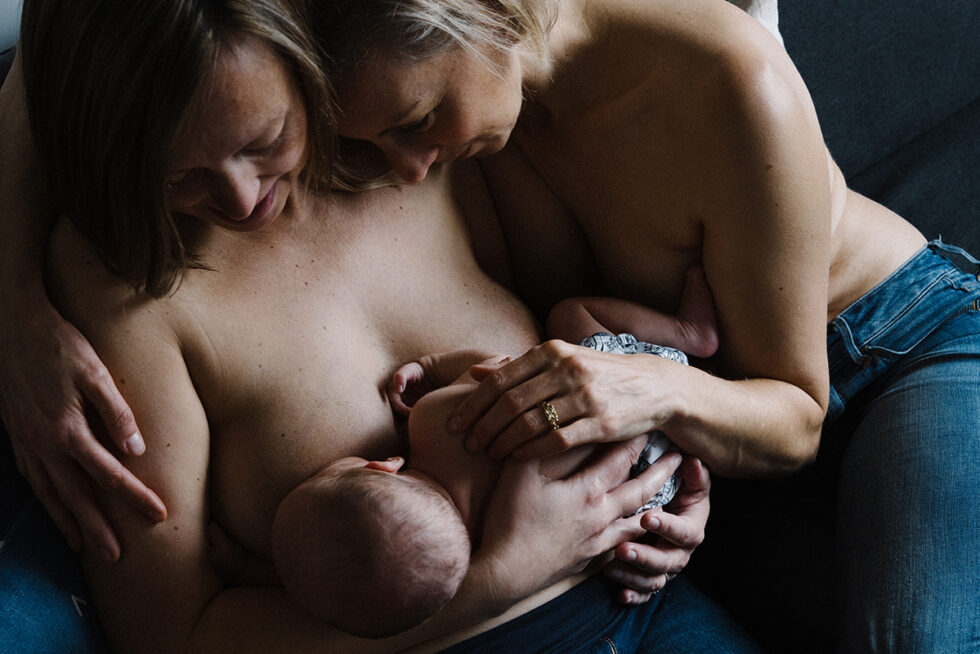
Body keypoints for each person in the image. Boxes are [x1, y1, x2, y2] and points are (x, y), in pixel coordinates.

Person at [0, 0, 765, 652]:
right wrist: (499, 580)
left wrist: (656, 481)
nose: (238, 200)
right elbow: (172, 634)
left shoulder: (416, 142)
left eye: (263, 142)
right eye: (181, 175)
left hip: (649, 601)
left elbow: (593, 351)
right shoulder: (120, 290)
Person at [309, 0, 980, 652]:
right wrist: (661, 496)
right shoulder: (482, 132)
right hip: (729, 442)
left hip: (899, 342)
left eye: (417, 119)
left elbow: (797, 417)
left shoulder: (724, 79)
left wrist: (656, 390)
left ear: (485, 11)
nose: (406, 168)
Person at [275, 273, 717, 638]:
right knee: (568, 316)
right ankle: (687, 334)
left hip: (657, 484)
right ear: (382, 464)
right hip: (632, 382)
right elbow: (506, 369)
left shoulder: (491, 543)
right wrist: (431, 367)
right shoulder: (432, 421)